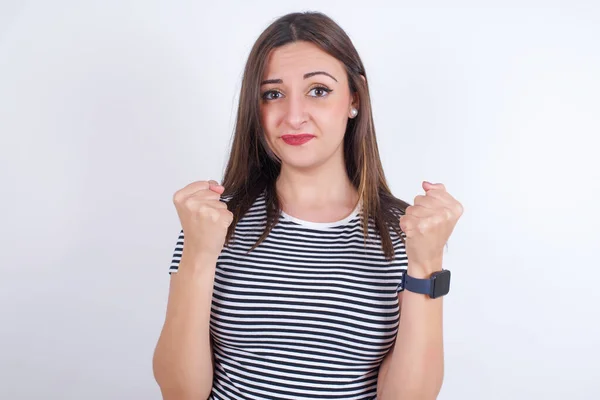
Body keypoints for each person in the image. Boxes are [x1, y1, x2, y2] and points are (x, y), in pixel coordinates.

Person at [152, 11, 463, 400]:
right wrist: (198, 254)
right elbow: (180, 393)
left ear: (355, 98)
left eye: (318, 90)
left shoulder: (409, 233)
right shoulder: (213, 222)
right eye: (273, 94)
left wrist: (425, 264)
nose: (294, 116)